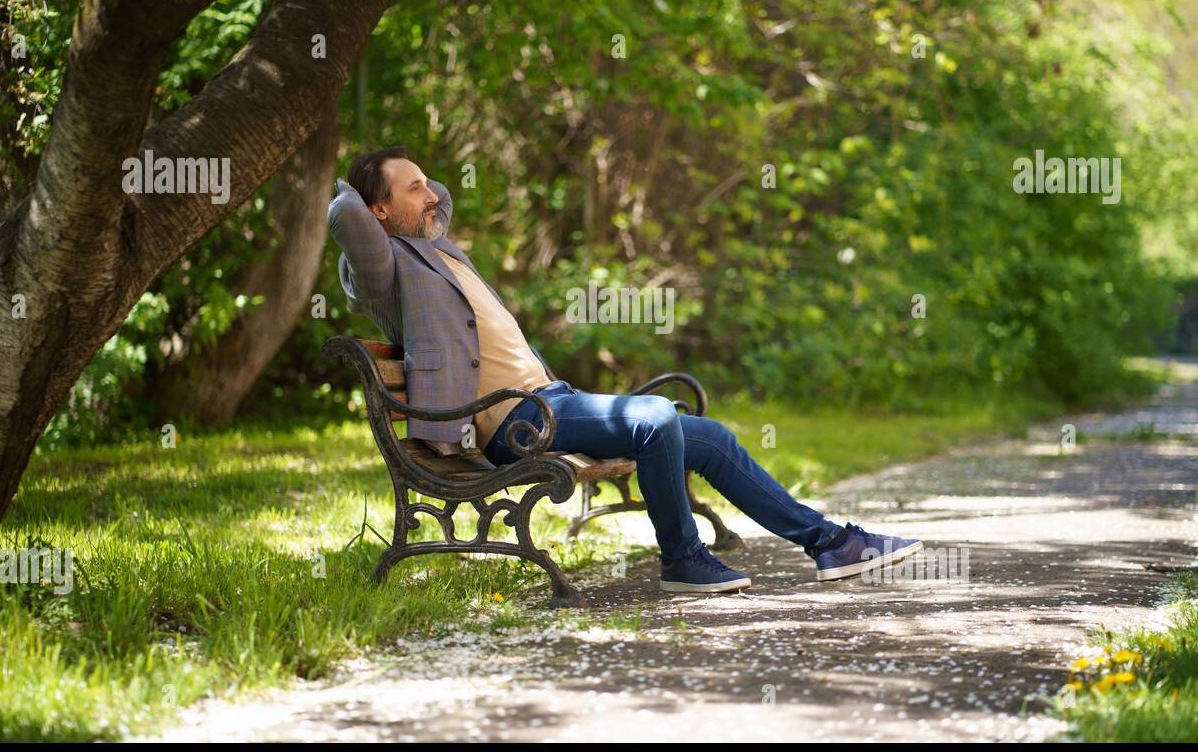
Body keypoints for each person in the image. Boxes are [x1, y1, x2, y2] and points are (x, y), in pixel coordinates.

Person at [327, 146, 923, 593]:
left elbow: (439, 201)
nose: (431, 194)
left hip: (548, 400)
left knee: (709, 438)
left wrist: (417, 188)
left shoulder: (437, 250)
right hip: (514, 421)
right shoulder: (384, 273)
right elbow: (349, 218)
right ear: (379, 211)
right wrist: (342, 187)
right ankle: (682, 560)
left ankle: (831, 543)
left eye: (427, 184)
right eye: (412, 189)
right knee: (655, 418)